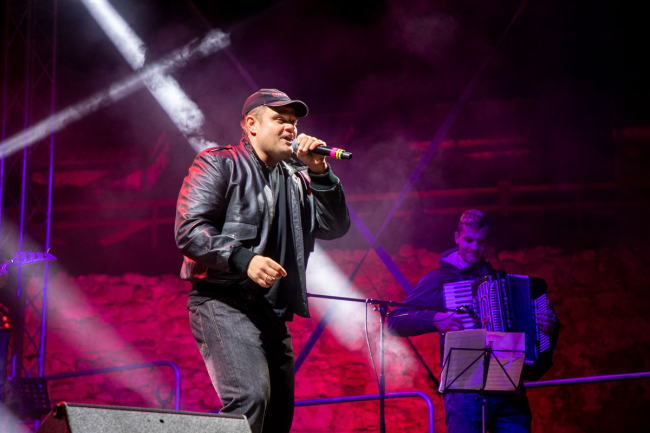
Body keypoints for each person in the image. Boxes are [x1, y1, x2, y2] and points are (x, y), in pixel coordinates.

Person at [175, 88, 350, 433]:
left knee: (277, 418)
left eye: (293, 122)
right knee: (249, 400)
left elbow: (334, 227)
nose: (290, 128)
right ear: (251, 125)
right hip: (224, 302)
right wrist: (242, 258)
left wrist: (320, 172)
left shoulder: (299, 177)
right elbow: (189, 229)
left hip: (272, 313)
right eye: (280, 119)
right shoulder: (219, 163)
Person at [387, 209, 559, 433]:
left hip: (509, 388)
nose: (474, 247)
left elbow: (535, 331)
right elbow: (395, 320)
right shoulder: (439, 280)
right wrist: (434, 319)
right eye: (468, 240)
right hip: (465, 391)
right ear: (457, 237)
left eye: (481, 241)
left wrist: (548, 326)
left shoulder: (499, 280)